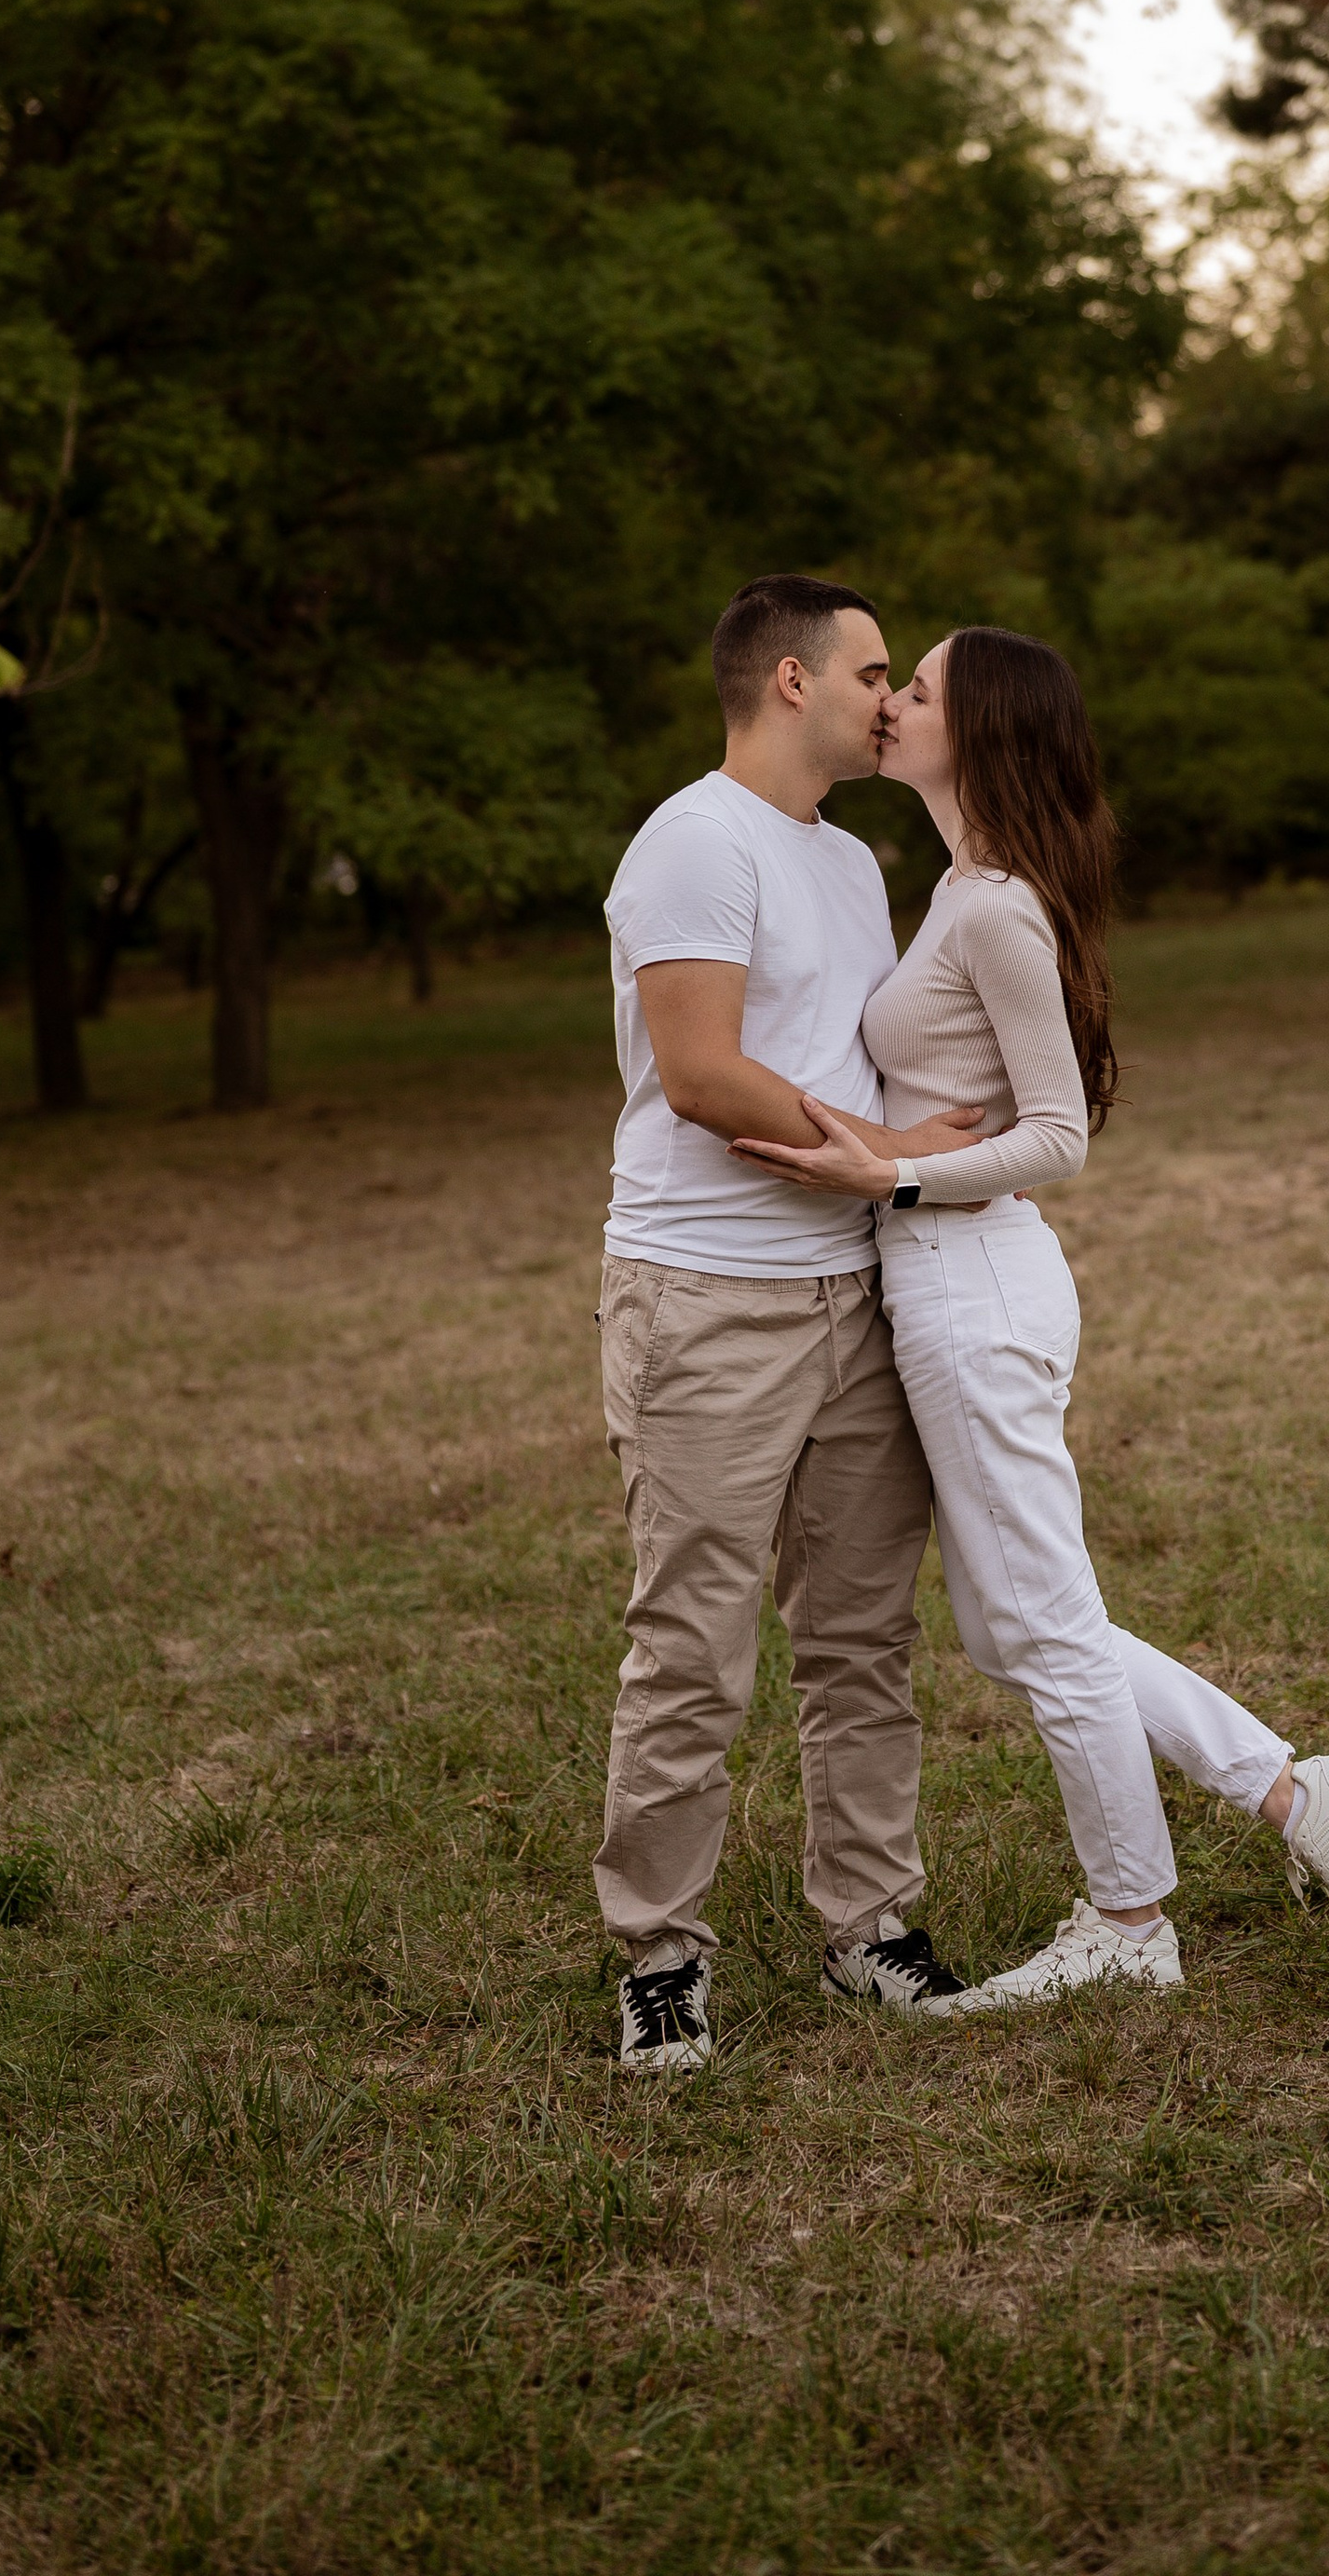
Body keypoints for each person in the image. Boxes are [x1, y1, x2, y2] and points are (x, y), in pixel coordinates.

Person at [736, 622, 1329, 2007]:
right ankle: (1299, 1797)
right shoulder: (958, 887)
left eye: (913, 689)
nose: (890, 704)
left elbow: (1058, 1136)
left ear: (975, 731)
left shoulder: (992, 908)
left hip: (975, 1283)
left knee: (1041, 1624)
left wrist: (891, 1171)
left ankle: (1131, 1920)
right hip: (955, 1285)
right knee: (1011, 1626)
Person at [593, 574, 988, 2077]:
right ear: (787, 681)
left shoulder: (844, 861)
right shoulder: (695, 841)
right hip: (708, 1305)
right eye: (875, 671)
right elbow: (701, 1072)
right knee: (692, 1647)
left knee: (860, 1638)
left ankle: (872, 1930)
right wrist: (883, 1153)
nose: (893, 699)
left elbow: (837, 1056)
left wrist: (920, 1148)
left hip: (858, 1296)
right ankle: (662, 1963)